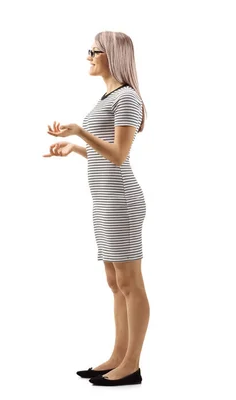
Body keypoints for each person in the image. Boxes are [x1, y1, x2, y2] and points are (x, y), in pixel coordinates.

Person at [44, 31, 149, 387]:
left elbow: (119, 156)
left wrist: (79, 132)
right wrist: (74, 149)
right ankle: (117, 356)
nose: (88, 56)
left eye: (94, 51)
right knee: (114, 282)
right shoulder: (108, 97)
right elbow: (106, 155)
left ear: (113, 55)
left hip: (121, 201)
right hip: (104, 202)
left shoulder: (128, 98)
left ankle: (131, 364)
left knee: (130, 282)